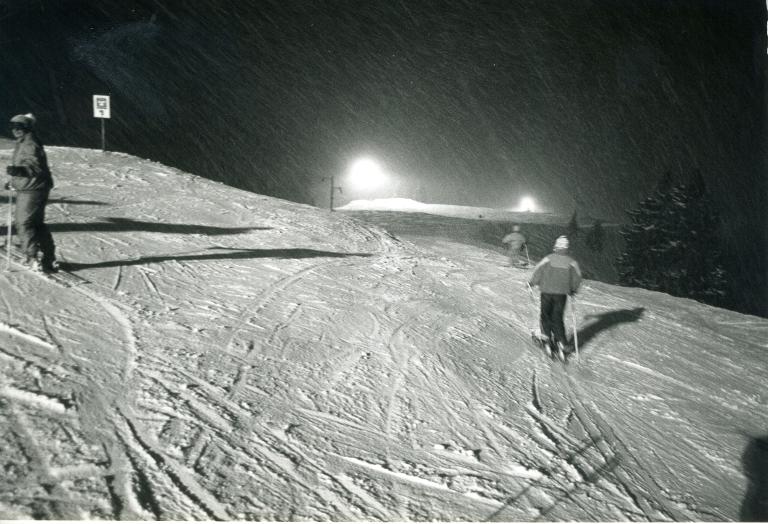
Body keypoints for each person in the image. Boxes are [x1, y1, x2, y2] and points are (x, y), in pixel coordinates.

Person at [6, 113, 57, 272]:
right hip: (34, 186)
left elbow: (35, 167)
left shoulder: (29, 143)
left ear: (27, 128)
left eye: (19, 127)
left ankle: (32, 257)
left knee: (23, 223)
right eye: (13, 127)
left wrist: (18, 171)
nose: (15, 130)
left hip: (32, 188)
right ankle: (48, 258)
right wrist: (13, 180)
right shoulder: (24, 142)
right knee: (36, 224)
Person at [528, 235, 581, 358]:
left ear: (556, 246)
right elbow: (577, 277)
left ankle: (546, 338)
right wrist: (573, 289)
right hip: (561, 295)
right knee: (557, 317)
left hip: (546, 292)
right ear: (566, 248)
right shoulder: (571, 262)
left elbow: (538, 271)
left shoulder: (548, 258)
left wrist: (531, 283)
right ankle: (562, 342)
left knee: (545, 315)